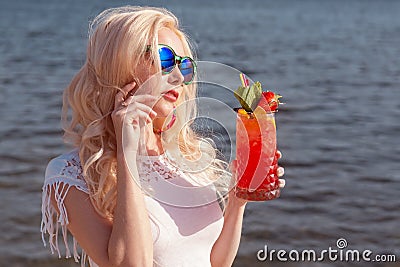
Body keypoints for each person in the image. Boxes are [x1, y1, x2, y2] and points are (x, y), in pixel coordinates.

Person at [41, 6, 284, 267]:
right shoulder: (71, 175)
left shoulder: (189, 155)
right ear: (118, 64)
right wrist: (127, 152)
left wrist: (237, 204)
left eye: (185, 66)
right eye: (165, 60)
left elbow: (214, 262)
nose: (179, 77)